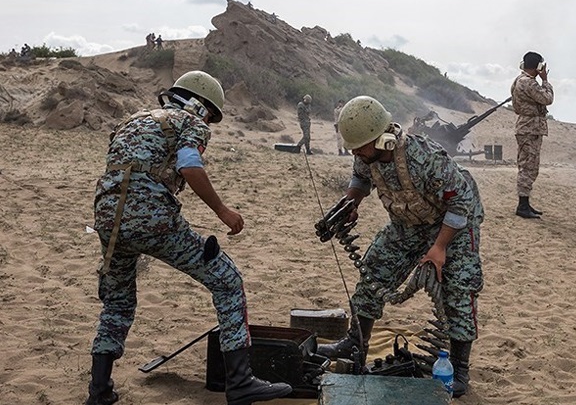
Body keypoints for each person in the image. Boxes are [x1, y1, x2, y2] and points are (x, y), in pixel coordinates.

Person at [85, 70, 292, 405]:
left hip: (108, 218)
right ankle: (240, 383)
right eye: (210, 116)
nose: (208, 123)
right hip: (151, 218)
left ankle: (99, 392)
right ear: (201, 105)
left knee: (118, 302)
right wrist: (223, 211)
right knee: (227, 280)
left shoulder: (132, 121)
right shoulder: (190, 122)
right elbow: (190, 166)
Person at [317, 96, 484, 398]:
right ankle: (356, 342)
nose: (355, 152)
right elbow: (360, 177)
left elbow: (459, 203)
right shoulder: (366, 153)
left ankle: (459, 369)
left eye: (360, 147)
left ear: (384, 140)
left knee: (459, 287)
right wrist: (352, 202)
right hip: (407, 223)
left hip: (454, 223)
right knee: (374, 272)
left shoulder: (426, 158)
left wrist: (439, 248)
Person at [510, 51, 554, 219]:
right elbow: (547, 99)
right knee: (529, 167)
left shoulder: (518, 81)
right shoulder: (529, 83)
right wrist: (545, 81)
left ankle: (525, 203)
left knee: (527, 165)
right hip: (530, 128)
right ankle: (522, 205)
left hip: (525, 126)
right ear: (538, 66)